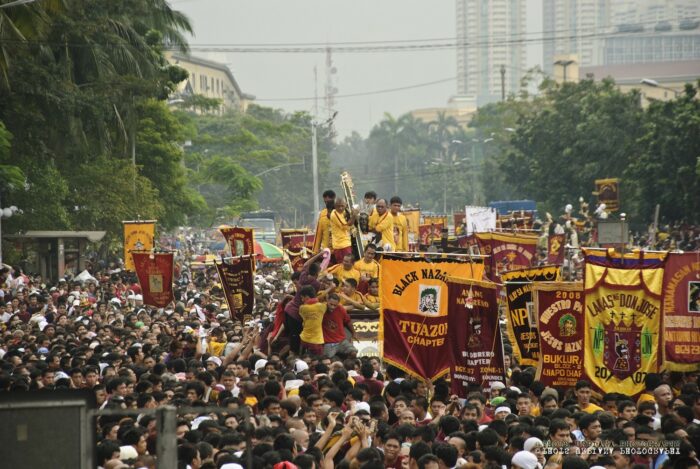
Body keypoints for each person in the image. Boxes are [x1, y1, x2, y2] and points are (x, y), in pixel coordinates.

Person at [321, 293, 355, 358]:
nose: (332, 307)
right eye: (331, 304)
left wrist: (354, 333)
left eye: (335, 305)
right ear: (327, 301)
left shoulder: (341, 309)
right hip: (328, 343)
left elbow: (348, 322)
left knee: (353, 352)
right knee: (327, 359)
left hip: (342, 341)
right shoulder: (321, 309)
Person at [329, 197, 358, 264]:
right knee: (343, 265)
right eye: (338, 206)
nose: (340, 208)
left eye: (342, 206)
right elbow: (346, 226)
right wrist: (354, 215)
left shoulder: (343, 211)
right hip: (340, 245)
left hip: (345, 243)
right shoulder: (335, 214)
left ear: (345, 205)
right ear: (335, 206)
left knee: (349, 264)